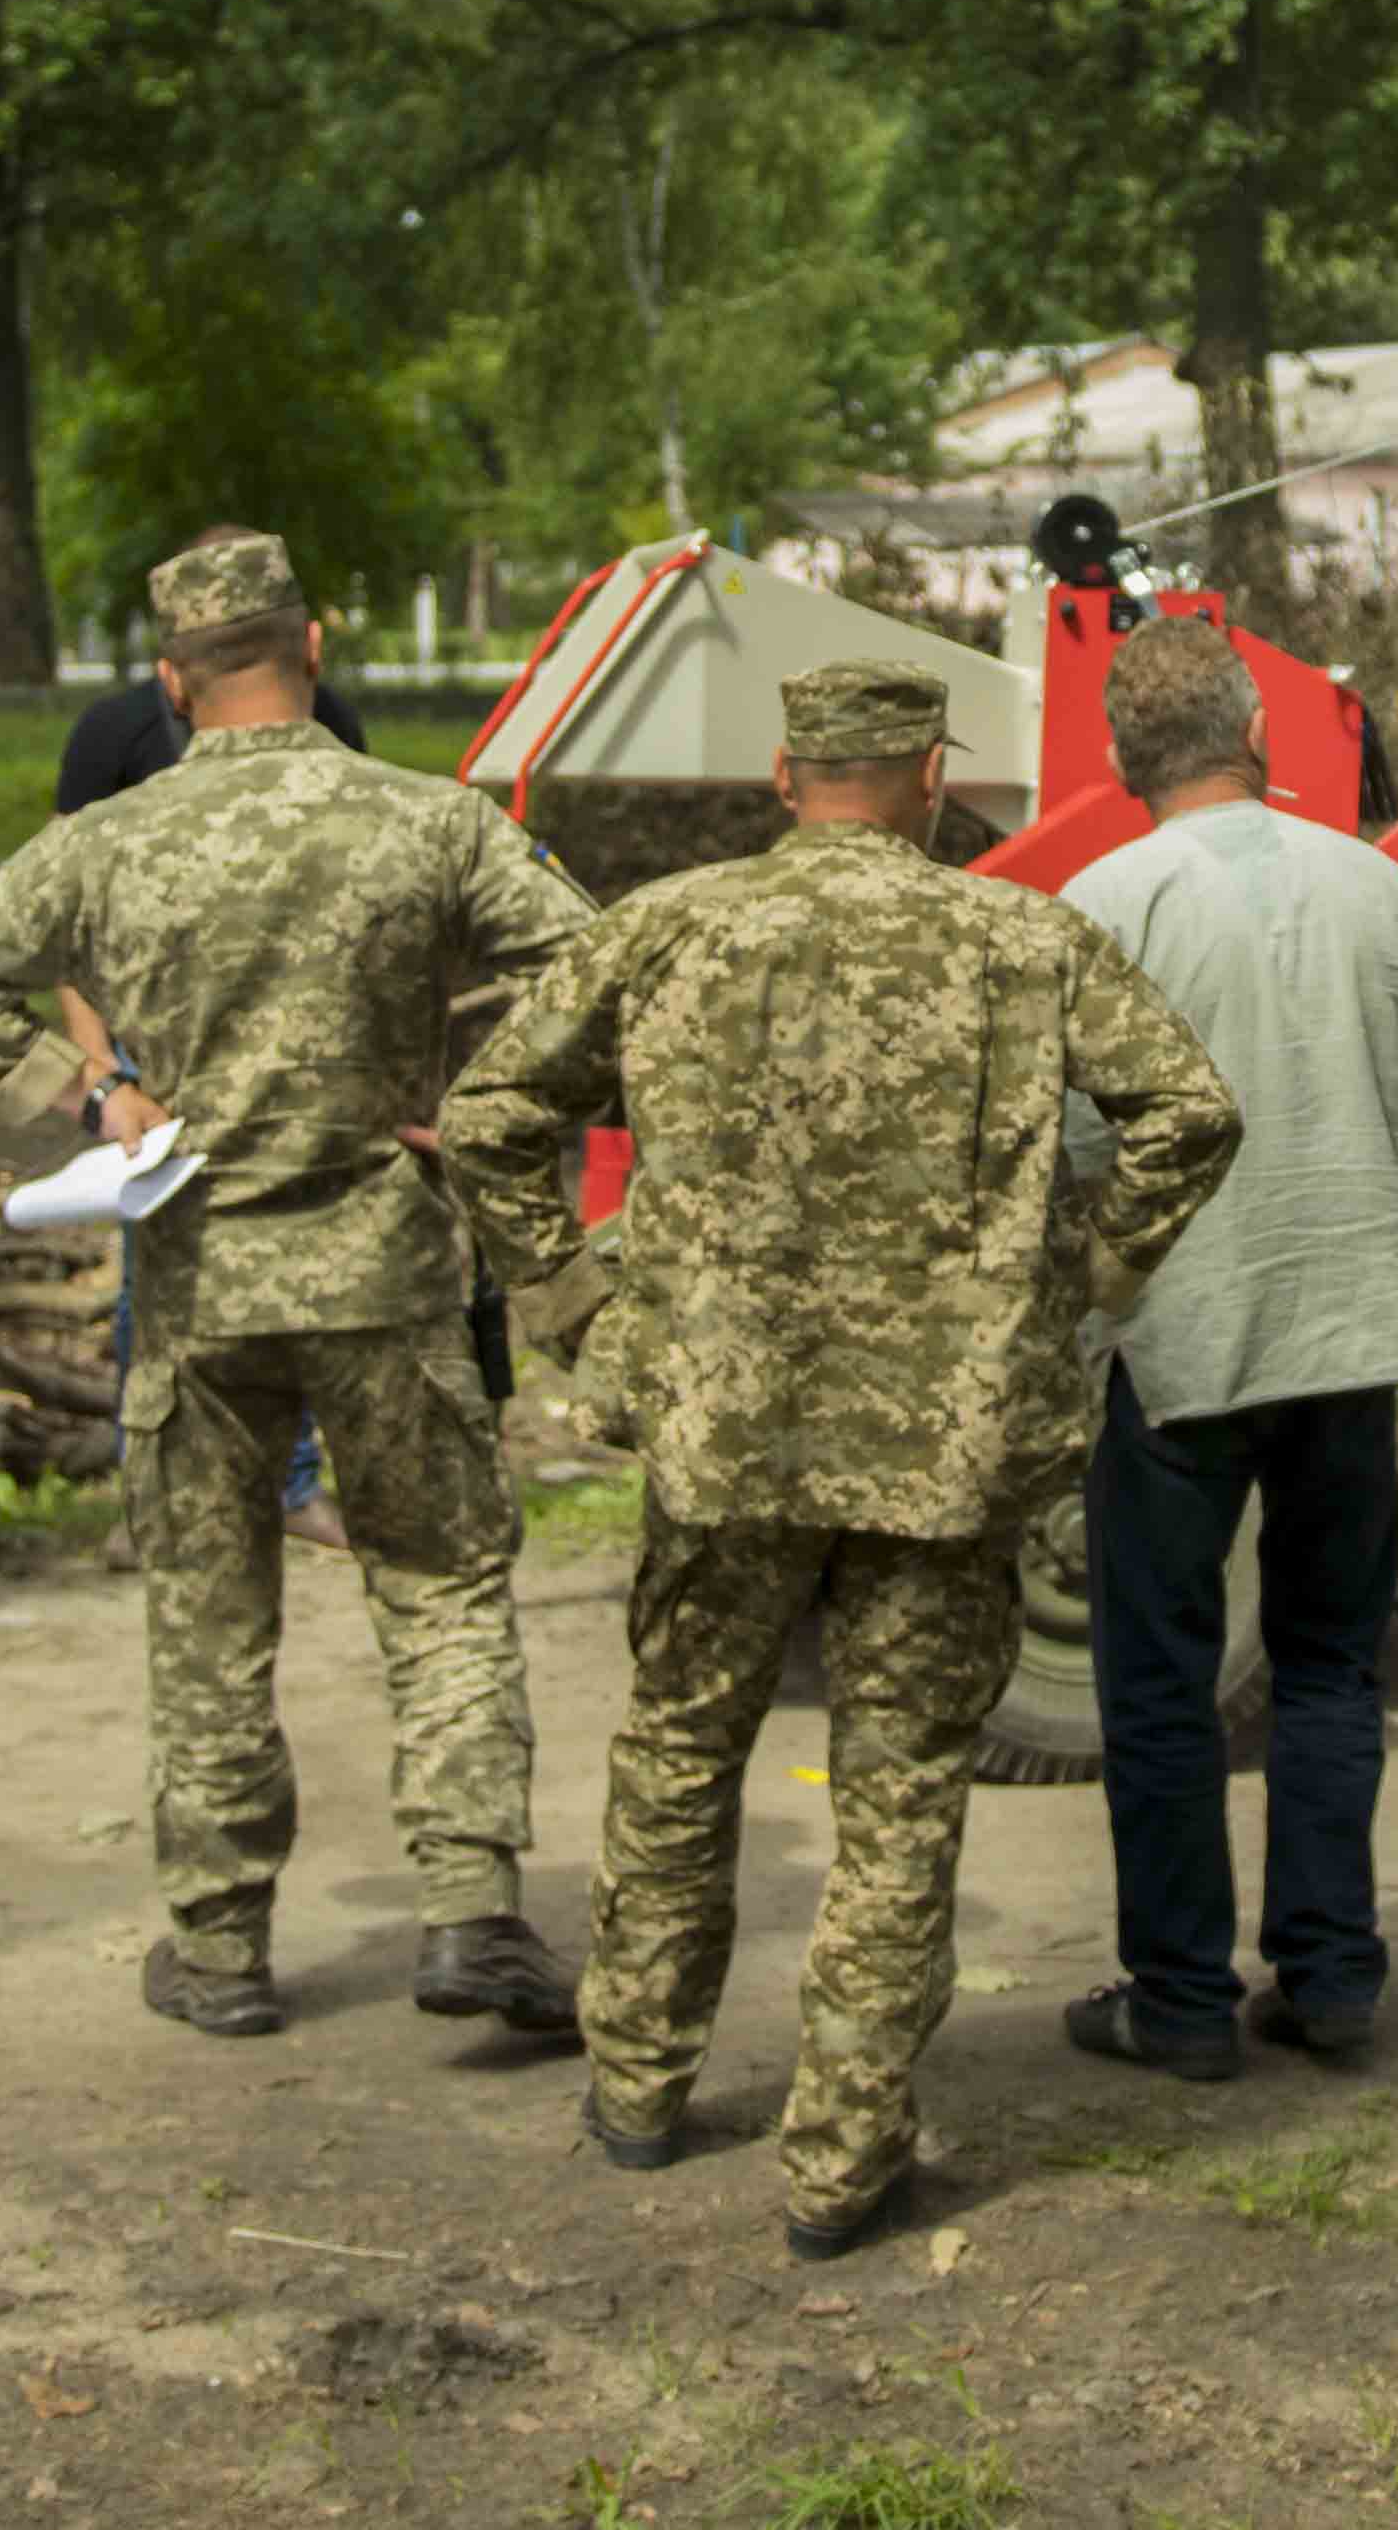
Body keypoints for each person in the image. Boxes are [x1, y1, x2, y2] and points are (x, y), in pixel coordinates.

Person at [440, 660, 1238, 2259]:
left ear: (789, 774)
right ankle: (842, 2159)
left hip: (719, 1432)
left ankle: (640, 2089)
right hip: (943, 1450)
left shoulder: (669, 925)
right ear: (933, 774)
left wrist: (580, 1306)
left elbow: (486, 1117)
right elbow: (1190, 1116)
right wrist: (1068, 1276)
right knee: (899, 1792)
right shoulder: (1024, 935)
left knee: (679, 1749)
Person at [0, 532, 592, 2041]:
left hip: (201, 1284)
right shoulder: (430, 821)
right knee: (441, 1586)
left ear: (170, 677)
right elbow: (599, 970)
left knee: (212, 1615)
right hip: (388, 1277)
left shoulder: (107, 841)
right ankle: (472, 1911)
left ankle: (220, 1948)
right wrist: (481, 1116)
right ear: (317, 645)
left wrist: (93, 1097)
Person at [1047, 617, 1398, 2080]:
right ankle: (1332, 1978)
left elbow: (1075, 1146)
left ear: (1117, 762)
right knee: (1332, 1665)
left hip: (1181, 1338)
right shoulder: (1380, 885)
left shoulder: (1099, 901)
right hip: (1350, 1331)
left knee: (1159, 1682)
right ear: (1260, 738)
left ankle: (1176, 2001)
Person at [52, 529, 358, 1551]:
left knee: (313, 1276)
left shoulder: (332, 727)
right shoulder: (115, 738)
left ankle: (295, 1483)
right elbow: (69, 929)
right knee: (163, 1284)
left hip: (301, 1057)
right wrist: (101, 1074)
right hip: (159, 1063)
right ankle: (157, 1496)